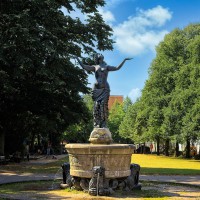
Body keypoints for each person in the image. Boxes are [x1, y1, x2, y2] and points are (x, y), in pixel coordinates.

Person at [74, 54, 132, 128]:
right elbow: (84, 67)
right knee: (96, 106)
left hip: (105, 89)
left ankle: (104, 123)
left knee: (103, 106)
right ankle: (97, 123)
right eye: (98, 54)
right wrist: (77, 59)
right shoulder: (95, 67)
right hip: (96, 89)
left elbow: (117, 68)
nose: (100, 54)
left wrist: (124, 60)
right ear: (97, 58)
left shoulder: (107, 67)